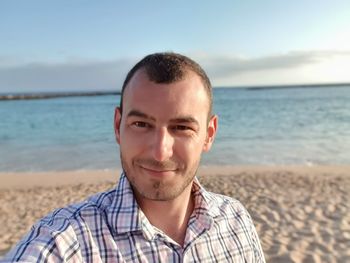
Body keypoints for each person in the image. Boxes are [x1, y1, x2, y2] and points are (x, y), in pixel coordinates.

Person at [3, 52, 265, 262]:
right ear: (118, 126)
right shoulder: (64, 243)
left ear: (209, 135)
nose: (160, 152)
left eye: (182, 127)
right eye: (141, 124)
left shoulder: (236, 221)